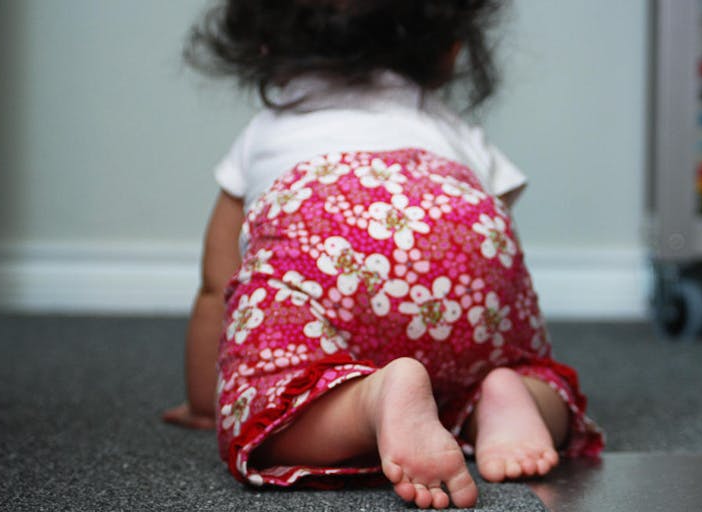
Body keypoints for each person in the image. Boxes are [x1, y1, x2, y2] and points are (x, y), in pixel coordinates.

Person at [164, 0, 604, 508]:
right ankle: (505, 396)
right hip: (458, 262)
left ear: (264, 44)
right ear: (449, 51)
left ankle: (371, 402)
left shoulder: (265, 132)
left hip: (323, 241)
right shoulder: (452, 130)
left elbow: (219, 285)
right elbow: (495, 244)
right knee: (532, 374)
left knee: (270, 415)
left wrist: (210, 400)